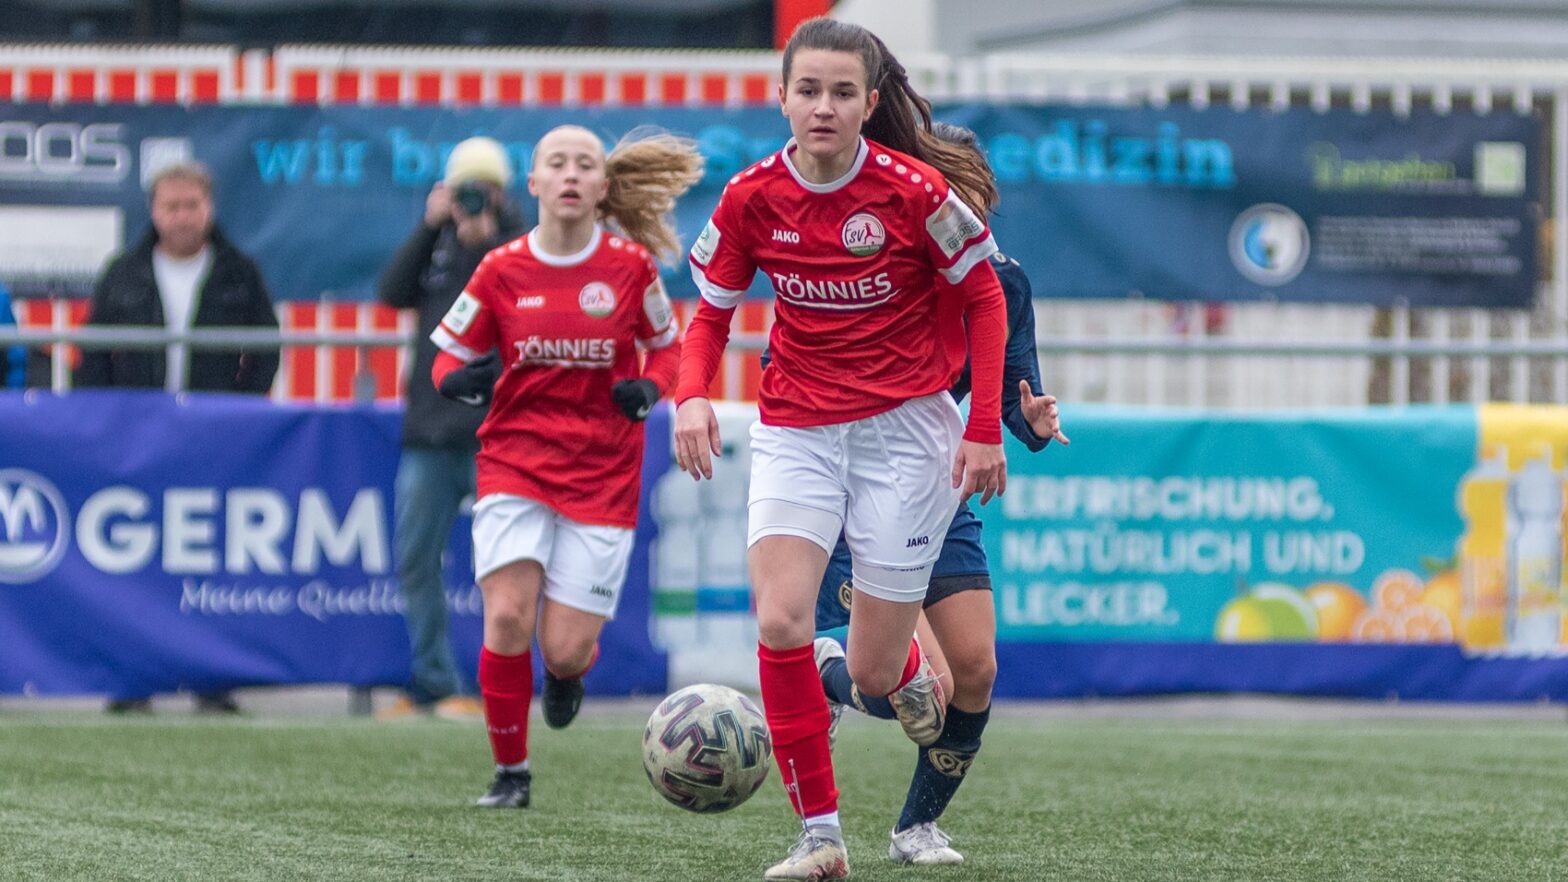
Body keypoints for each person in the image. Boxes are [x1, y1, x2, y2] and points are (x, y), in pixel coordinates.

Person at [672, 18, 1008, 881]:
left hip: (906, 436)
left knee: (870, 668)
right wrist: (691, 396)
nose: (823, 106)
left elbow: (988, 299)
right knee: (780, 617)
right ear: (780, 97)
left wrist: (980, 432)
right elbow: (709, 312)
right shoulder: (749, 197)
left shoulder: (914, 191)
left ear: (869, 103)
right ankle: (820, 838)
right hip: (796, 428)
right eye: (808, 90)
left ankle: (883, 668)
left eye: (842, 92)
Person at [807, 121, 1070, 868]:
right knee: (911, 686)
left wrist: (1036, 420)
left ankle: (915, 827)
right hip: (860, 480)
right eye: (934, 186)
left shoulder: (1003, 279)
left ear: (982, 193)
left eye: (962, 189)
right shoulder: (881, 263)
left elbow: (1016, 385)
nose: (949, 204)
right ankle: (811, 672)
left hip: (940, 488)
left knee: (976, 670)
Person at [429, 124, 701, 808]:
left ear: (602, 187)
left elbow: (668, 350)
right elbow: (446, 357)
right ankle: (511, 773)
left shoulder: (630, 268)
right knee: (507, 620)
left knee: (565, 649)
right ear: (536, 182)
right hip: (515, 461)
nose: (572, 174)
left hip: (602, 471)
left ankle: (567, 674)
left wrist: (652, 388)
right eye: (558, 163)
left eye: (586, 164)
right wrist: (458, 380)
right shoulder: (500, 268)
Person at [78, 160, 280, 714]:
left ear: (209, 207)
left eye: (192, 205)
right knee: (133, 562)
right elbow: (93, 356)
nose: (183, 216)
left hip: (214, 437)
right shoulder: (124, 271)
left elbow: (265, 350)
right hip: (137, 439)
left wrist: (237, 412)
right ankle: (131, 681)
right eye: (172, 206)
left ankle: (211, 679)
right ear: (154, 210)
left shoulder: (239, 271)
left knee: (209, 559)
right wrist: (103, 424)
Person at [375, 137, 527, 722]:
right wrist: (429, 226)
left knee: (508, 566)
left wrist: (486, 237)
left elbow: (512, 297)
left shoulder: (516, 239)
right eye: (465, 187)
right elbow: (390, 293)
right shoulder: (435, 240)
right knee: (416, 559)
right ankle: (434, 680)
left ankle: (503, 686)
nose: (472, 198)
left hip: (499, 429)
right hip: (431, 430)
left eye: (483, 187)